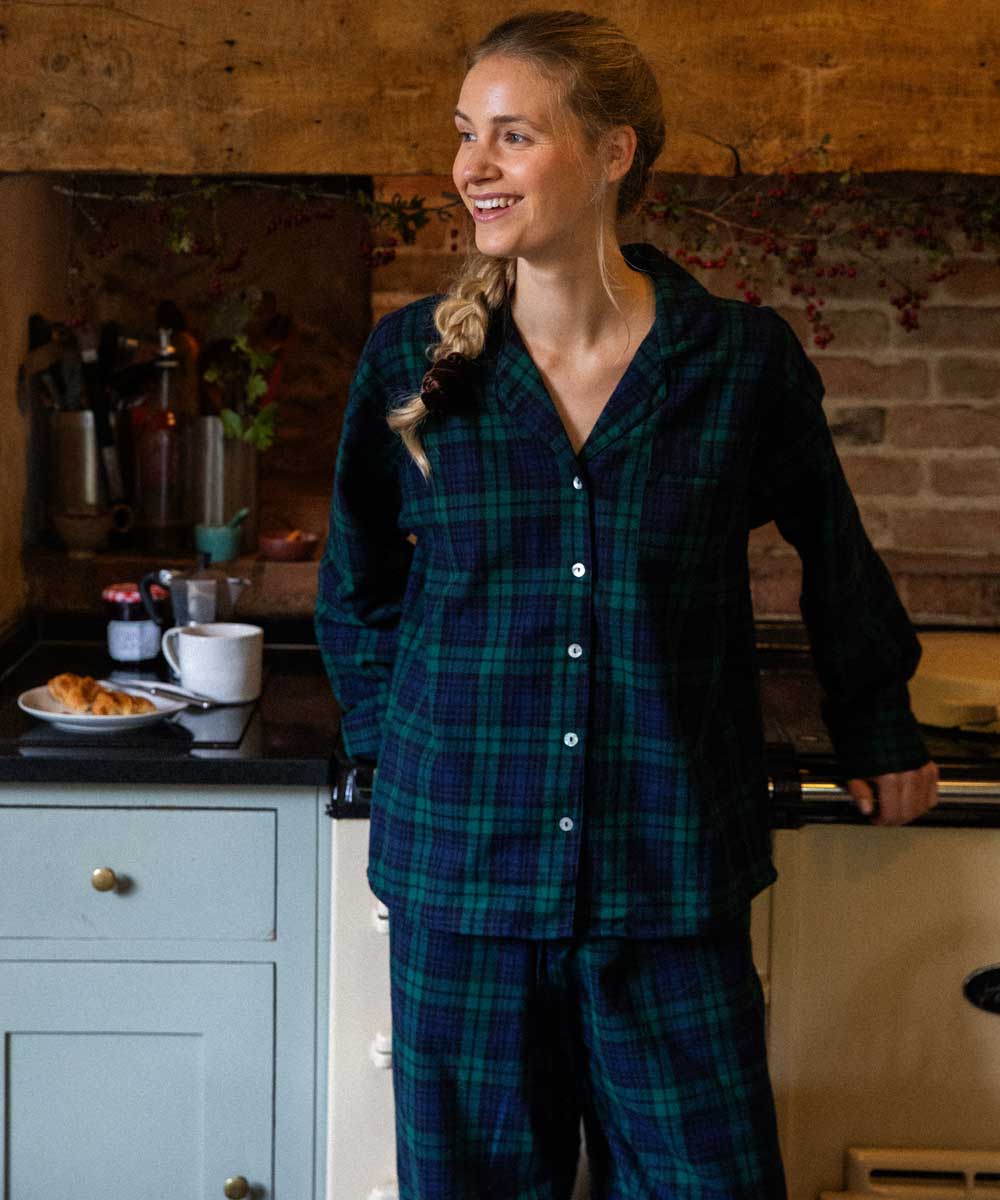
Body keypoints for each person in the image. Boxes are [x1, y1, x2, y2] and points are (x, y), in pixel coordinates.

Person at [315, 10, 940, 1198]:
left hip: (670, 871)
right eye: (464, 136)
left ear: (612, 153)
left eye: (513, 135)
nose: (473, 167)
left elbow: (835, 553)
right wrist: (399, 748)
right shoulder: (412, 364)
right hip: (465, 884)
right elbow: (357, 587)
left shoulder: (737, 362)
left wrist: (879, 722)